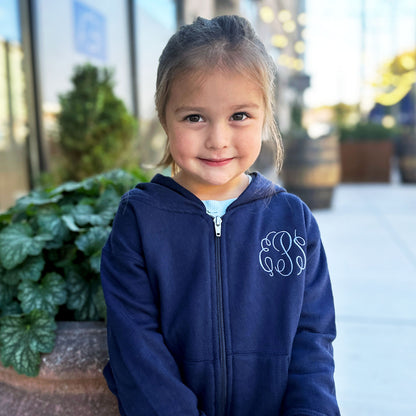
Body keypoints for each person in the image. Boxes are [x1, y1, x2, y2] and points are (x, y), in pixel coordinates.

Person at [101, 15, 340, 416]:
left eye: (239, 116)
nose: (217, 139)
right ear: (165, 117)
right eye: (194, 117)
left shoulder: (293, 220)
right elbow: (137, 353)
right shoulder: (139, 221)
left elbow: (312, 342)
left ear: (266, 116)